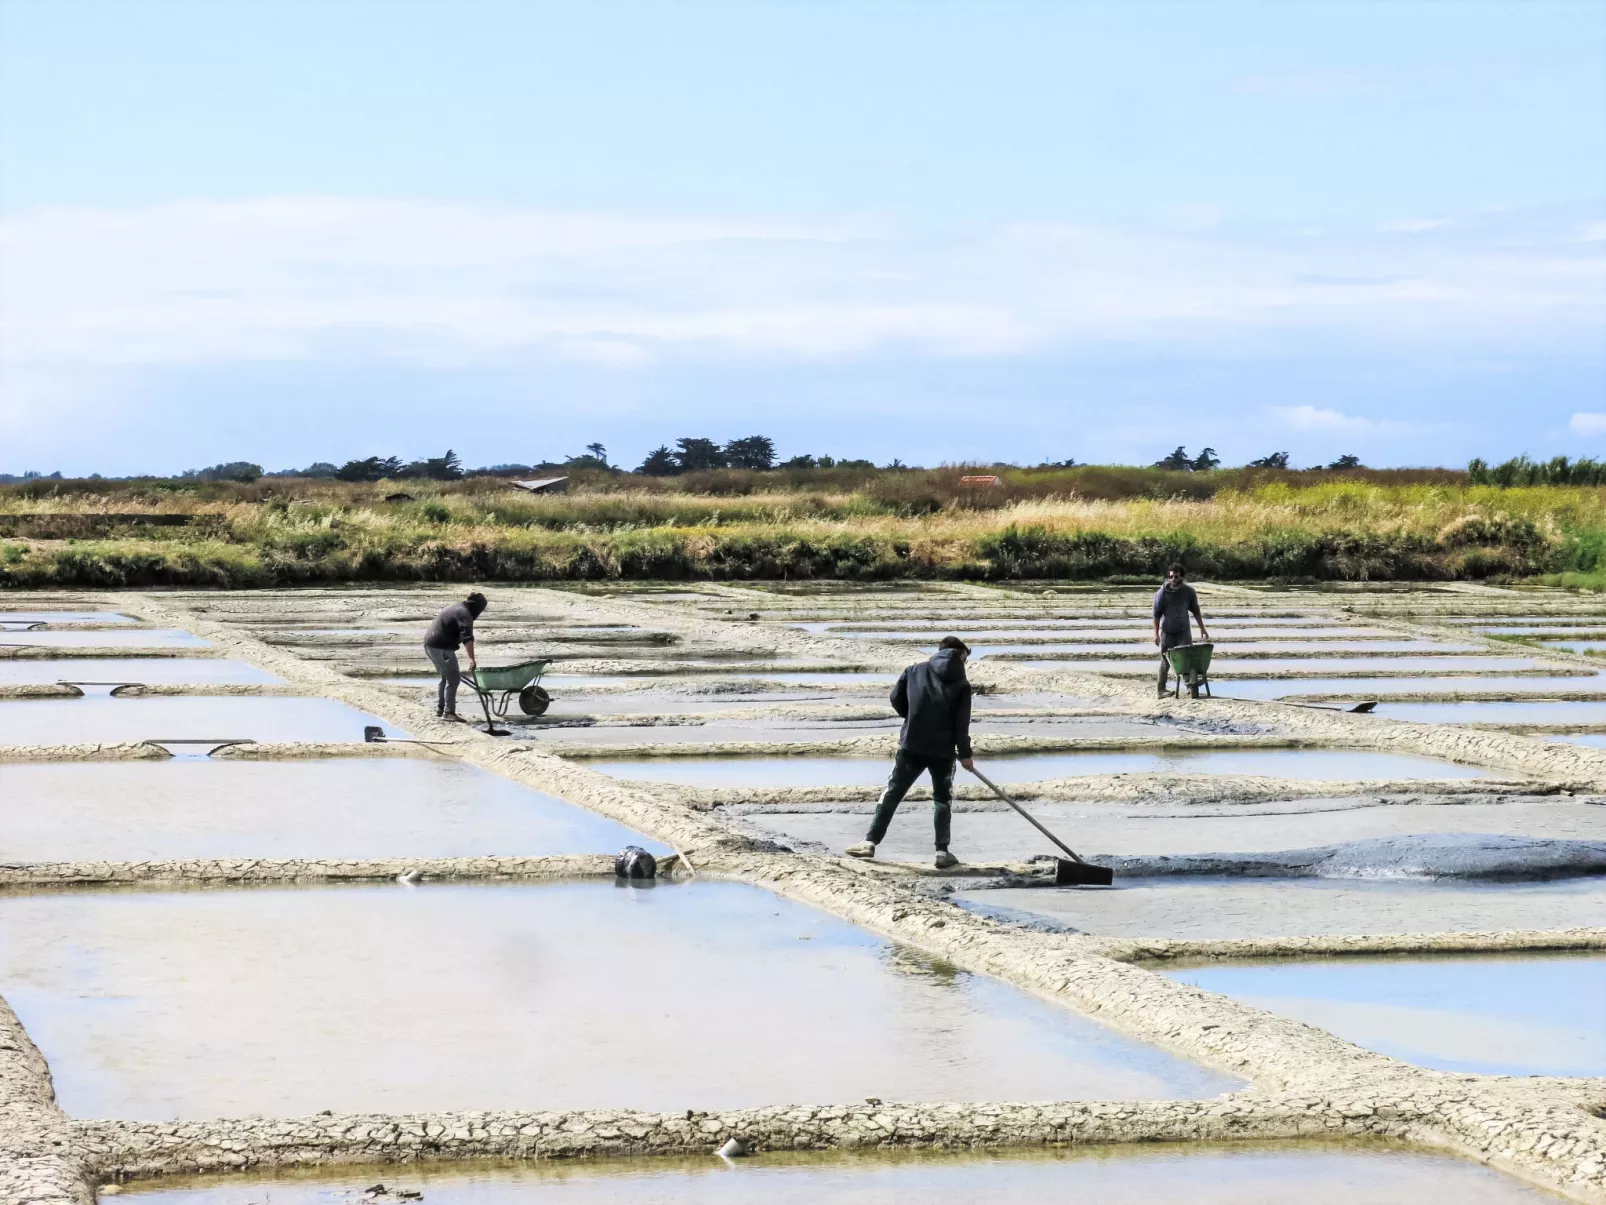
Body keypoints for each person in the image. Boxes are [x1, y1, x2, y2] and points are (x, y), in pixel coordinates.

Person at [846, 636, 974, 869]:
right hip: (943, 751)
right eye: (966, 657)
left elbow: (896, 698)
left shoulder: (914, 670)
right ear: (960, 654)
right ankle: (942, 852)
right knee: (942, 799)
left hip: (911, 744)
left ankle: (869, 842)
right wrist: (965, 754)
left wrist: (913, 716)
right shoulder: (962, 684)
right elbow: (961, 724)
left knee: (892, 793)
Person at [424, 591, 487, 720]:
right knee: (453, 678)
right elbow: (467, 637)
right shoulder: (465, 614)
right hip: (440, 646)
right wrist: (471, 659)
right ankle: (448, 712)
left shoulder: (457, 607)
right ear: (478, 608)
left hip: (430, 644)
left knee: (445, 677)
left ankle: (441, 709)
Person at [1153, 564, 1209, 697]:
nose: (1173, 579)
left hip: (1183, 631)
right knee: (1165, 661)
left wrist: (1202, 628)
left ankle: (1190, 687)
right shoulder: (1162, 593)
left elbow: (1195, 610)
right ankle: (1161, 690)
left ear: (1182, 577)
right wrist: (1156, 634)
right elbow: (1156, 615)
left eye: (1176, 576)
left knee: (1186, 659)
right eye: (1171, 576)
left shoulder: (1189, 592)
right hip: (1167, 631)